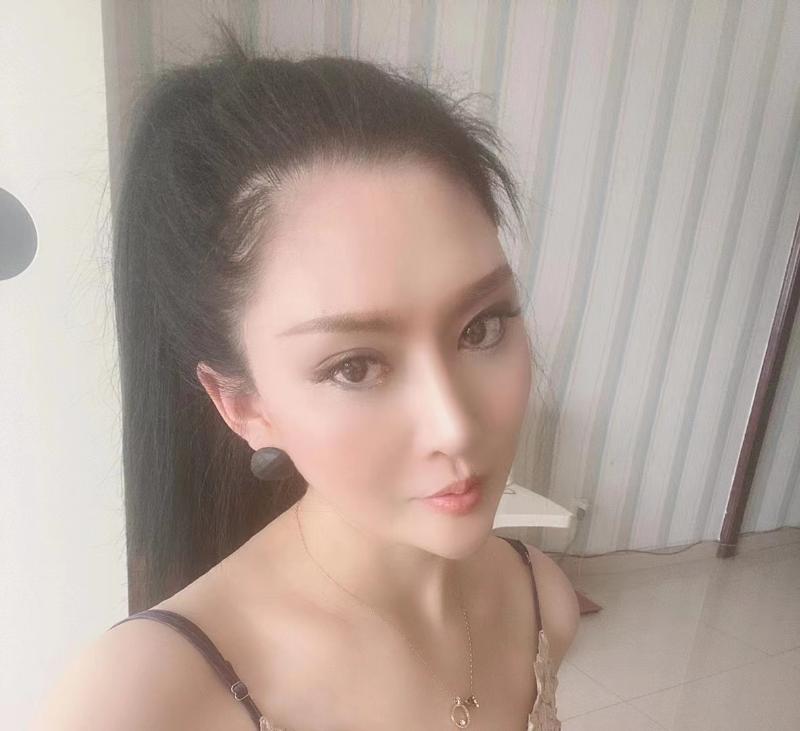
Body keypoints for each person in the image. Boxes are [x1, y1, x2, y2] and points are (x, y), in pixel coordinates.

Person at [34, 21, 579, 731]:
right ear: (243, 404)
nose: (456, 426)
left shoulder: (542, 601)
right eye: (354, 366)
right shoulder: (138, 703)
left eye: (481, 327)